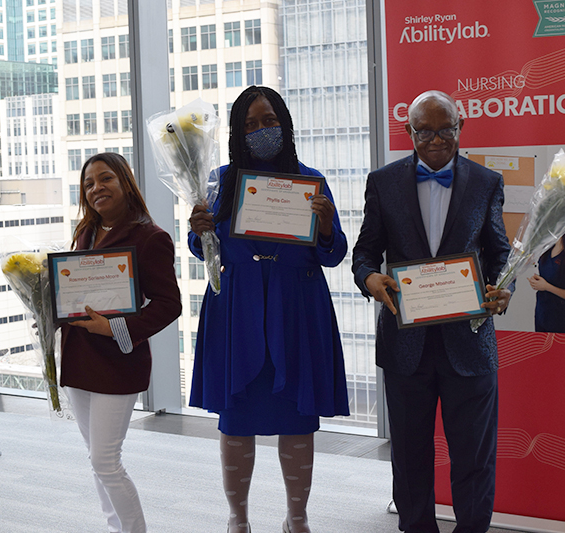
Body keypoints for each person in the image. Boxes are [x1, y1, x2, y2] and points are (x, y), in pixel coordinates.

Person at [188, 86, 350, 533]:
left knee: (296, 417)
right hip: (236, 308)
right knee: (236, 417)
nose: (262, 131)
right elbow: (206, 251)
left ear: (286, 124)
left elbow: (334, 254)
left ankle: (296, 519)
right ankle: (237, 519)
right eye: (252, 124)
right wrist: (198, 229)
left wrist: (323, 226)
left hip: (297, 309)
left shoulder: (310, 179)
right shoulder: (220, 181)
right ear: (238, 133)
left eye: (270, 121)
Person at [352, 90, 512, 533]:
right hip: (406, 344)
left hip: (470, 343)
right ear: (409, 131)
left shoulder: (486, 182)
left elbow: (499, 254)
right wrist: (369, 278)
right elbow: (365, 253)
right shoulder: (382, 182)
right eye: (426, 130)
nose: (438, 139)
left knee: (474, 458)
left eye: (447, 129)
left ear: (461, 129)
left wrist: (505, 287)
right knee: (409, 456)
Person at [60, 152, 181, 533]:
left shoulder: (151, 237)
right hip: (80, 357)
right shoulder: (85, 232)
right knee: (97, 459)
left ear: (125, 181)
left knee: (105, 460)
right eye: (89, 184)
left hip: (117, 361)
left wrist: (116, 329)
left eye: (105, 179)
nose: (96, 188)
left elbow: (169, 304)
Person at [529, 234, 565, 332]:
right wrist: (537, 281)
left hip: (560, 318)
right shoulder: (549, 246)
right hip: (543, 313)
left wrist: (546, 286)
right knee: (541, 346)